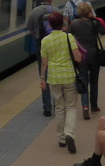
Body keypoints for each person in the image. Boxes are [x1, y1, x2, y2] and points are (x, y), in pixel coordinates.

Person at [40, 11, 83, 153]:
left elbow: (44, 63)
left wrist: (42, 79)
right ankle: (69, 133)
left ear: (50, 25)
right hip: (69, 76)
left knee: (59, 107)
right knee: (71, 106)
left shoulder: (45, 41)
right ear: (62, 23)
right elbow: (77, 58)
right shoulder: (68, 37)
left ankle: (61, 138)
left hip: (53, 78)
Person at [69, 1, 105, 117]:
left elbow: (69, 36)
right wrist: (94, 18)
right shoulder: (94, 23)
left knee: (84, 80)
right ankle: (94, 107)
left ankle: (85, 106)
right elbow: (104, 31)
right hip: (94, 54)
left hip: (81, 56)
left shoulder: (74, 23)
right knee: (94, 82)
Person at [26, 0, 55, 115]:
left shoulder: (34, 12)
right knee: (56, 76)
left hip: (41, 46)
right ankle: (57, 104)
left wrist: (38, 39)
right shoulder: (55, 11)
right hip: (55, 47)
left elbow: (31, 30)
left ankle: (47, 107)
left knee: (44, 76)